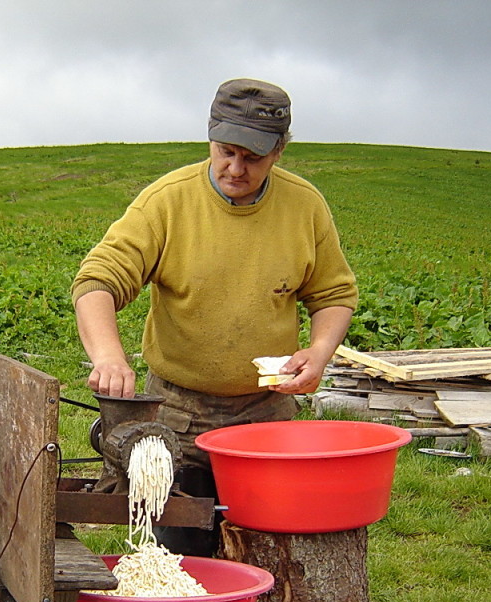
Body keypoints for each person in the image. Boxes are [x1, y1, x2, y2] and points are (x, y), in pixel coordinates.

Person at [71, 78, 359, 556]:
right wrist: (108, 357)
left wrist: (320, 351)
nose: (236, 168)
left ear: (280, 151)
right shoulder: (167, 202)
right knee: (180, 559)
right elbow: (97, 280)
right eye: (226, 152)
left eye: (253, 157)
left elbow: (333, 293)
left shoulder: (304, 206)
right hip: (178, 417)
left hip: (265, 418)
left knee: (270, 554)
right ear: (210, 137)